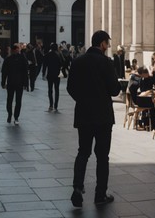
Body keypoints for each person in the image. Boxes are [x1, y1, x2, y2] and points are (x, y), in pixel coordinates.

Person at [67, 29, 121, 208]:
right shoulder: (106, 62)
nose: (108, 47)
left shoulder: (77, 61)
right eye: (108, 43)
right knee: (102, 156)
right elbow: (114, 90)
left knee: (83, 151)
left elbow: (70, 87)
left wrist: (82, 100)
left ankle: (77, 187)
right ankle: (100, 194)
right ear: (102, 44)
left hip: (83, 114)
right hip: (103, 116)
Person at [1, 43, 29, 125]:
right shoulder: (22, 59)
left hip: (11, 82)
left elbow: (4, 72)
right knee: (17, 100)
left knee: (10, 100)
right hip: (19, 82)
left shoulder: (8, 59)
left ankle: (11, 115)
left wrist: (3, 82)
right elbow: (25, 72)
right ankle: (15, 116)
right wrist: (26, 84)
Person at [43, 43, 63, 112]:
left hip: (50, 74)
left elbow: (44, 65)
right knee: (57, 90)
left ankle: (51, 104)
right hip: (57, 74)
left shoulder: (48, 55)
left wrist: (43, 74)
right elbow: (62, 63)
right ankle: (56, 105)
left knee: (50, 90)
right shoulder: (59, 54)